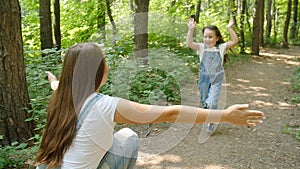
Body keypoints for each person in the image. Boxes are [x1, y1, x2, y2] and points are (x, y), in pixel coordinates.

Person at [34, 43, 264, 169]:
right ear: (99, 72)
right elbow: (170, 113)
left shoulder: (62, 96)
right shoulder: (105, 106)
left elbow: (57, 85)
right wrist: (224, 115)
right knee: (129, 137)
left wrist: (53, 79)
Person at [186, 17, 239, 132]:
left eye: (210, 37)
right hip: (203, 78)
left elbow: (235, 41)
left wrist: (229, 28)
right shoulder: (201, 47)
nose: (207, 39)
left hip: (216, 78)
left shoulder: (221, 47)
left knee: (213, 102)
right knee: (205, 101)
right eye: (205, 37)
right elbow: (189, 43)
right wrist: (191, 29)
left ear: (217, 38)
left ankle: (211, 122)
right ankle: (207, 116)